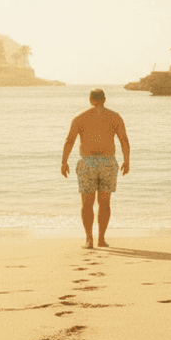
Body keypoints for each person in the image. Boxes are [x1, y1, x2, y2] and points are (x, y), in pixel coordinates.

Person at [61, 88, 130, 249]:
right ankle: (101, 239)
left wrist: (64, 162)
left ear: (90, 99)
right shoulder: (115, 116)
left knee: (87, 203)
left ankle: (89, 240)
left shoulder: (80, 117)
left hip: (88, 162)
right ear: (104, 99)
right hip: (108, 162)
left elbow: (69, 140)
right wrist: (127, 160)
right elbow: (124, 140)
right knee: (105, 203)